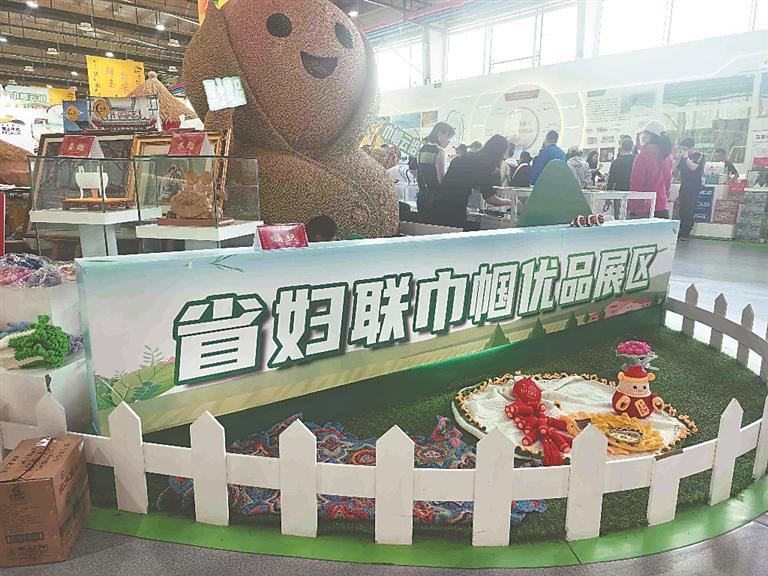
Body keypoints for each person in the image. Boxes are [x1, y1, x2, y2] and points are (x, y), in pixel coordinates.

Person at [430, 134, 513, 230]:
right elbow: (490, 199)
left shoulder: (462, 158)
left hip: (437, 206)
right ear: (499, 153)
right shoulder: (484, 166)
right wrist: (511, 202)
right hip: (454, 210)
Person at [628, 120, 673, 220]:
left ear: (648, 136)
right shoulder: (668, 158)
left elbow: (636, 185)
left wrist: (632, 206)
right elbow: (668, 184)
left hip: (642, 207)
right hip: (662, 205)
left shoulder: (643, 156)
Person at [416, 122, 455, 223]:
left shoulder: (421, 149)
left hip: (422, 196)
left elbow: (417, 172)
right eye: (448, 137)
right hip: (435, 198)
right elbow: (441, 179)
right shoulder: (439, 151)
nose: (449, 141)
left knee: (423, 225)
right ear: (439, 134)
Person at [675, 137, 704, 239]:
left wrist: (686, 158)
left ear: (691, 147)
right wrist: (676, 160)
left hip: (694, 187)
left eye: (685, 149)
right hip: (684, 186)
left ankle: (686, 232)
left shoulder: (699, 156)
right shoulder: (683, 158)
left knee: (689, 209)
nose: (683, 151)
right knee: (682, 209)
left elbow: (693, 167)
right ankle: (681, 230)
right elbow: (675, 171)